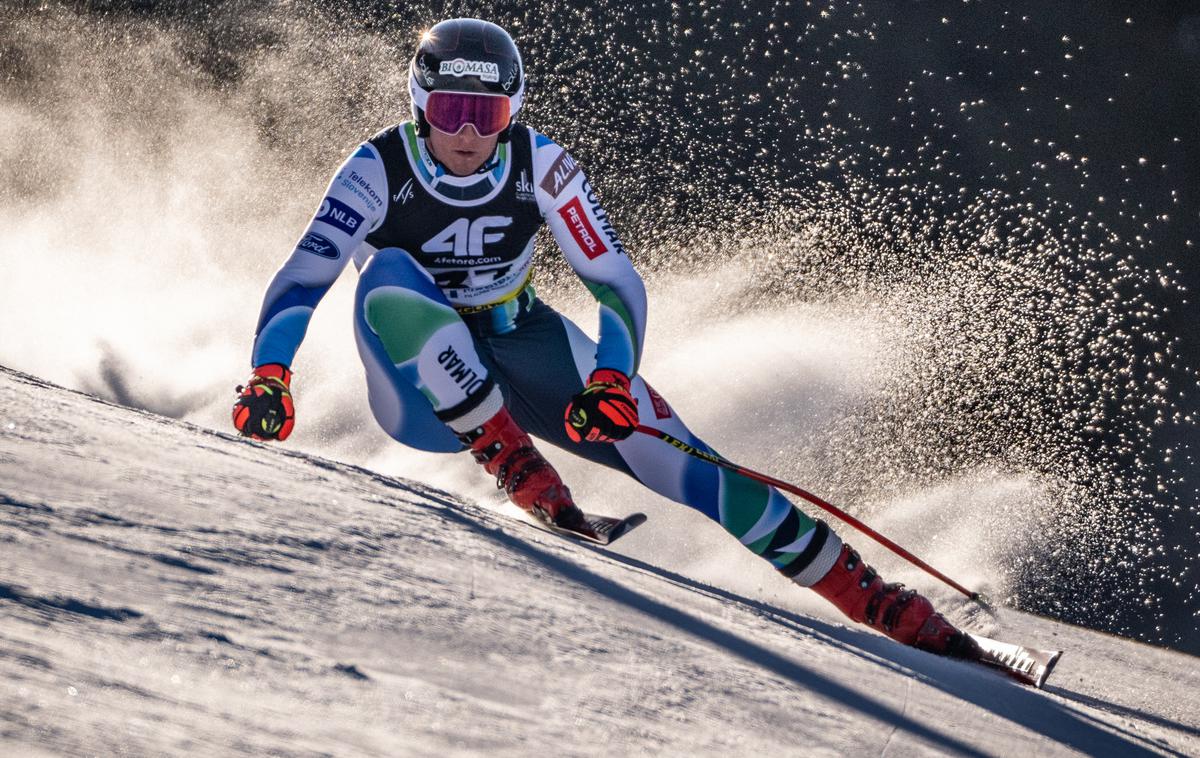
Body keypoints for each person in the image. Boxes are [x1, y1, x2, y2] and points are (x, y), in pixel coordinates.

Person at [233, 18, 976, 657]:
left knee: (703, 470)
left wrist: (611, 379)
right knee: (391, 271)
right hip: (421, 393)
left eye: (487, 116)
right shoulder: (375, 168)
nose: (467, 133)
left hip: (526, 343)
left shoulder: (543, 165)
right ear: (421, 104)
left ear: (512, 113)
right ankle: (518, 466)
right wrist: (270, 373)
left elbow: (615, 284)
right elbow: (303, 280)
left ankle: (893, 611)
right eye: (452, 109)